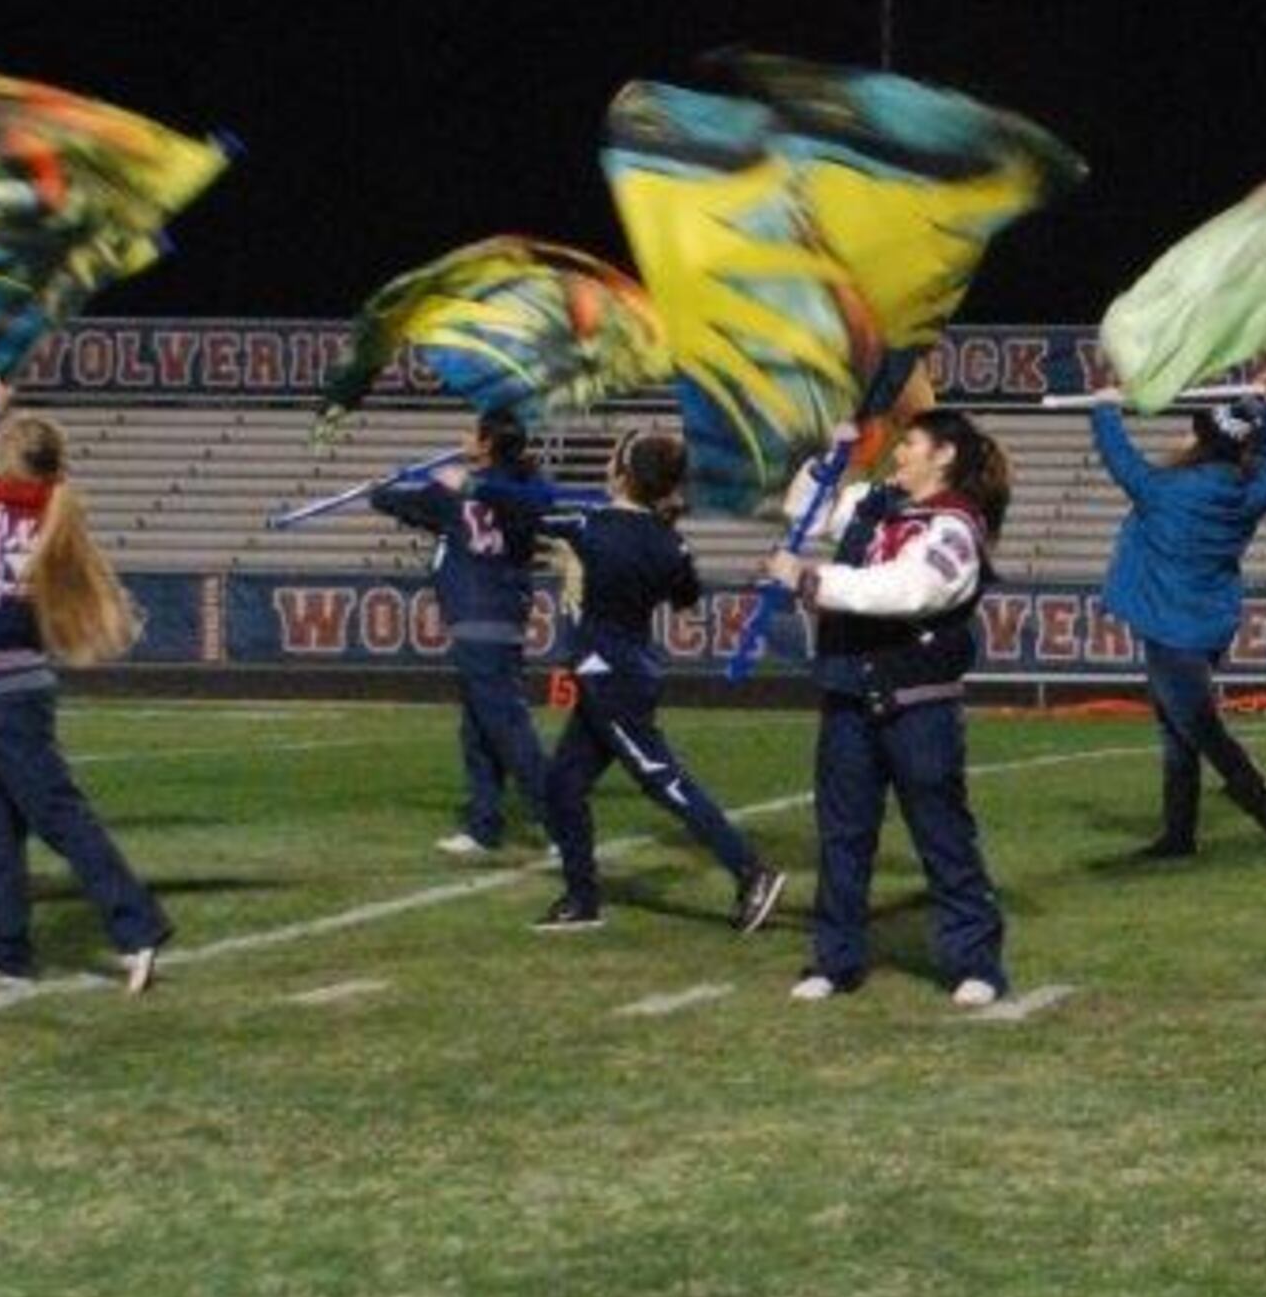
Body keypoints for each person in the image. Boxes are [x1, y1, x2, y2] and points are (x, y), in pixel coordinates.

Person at [0, 392, 171, 994]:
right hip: (7, 685)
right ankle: (8, 955)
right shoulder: (42, 510)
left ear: (9, 466)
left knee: (58, 817)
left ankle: (137, 926)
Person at [763, 409, 1014, 1006]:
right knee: (842, 835)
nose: (899, 453)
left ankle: (974, 962)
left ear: (944, 455)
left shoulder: (956, 527)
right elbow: (809, 512)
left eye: (911, 444)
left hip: (917, 703)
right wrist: (831, 459)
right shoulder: (878, 504)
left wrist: (811, 582)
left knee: (942, 835)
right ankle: (836, 959)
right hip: (850, 692)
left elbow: (912, 590)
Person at [530, 429, 785, 937]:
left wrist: (467, 488)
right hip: (628, 669)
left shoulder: (592, 523)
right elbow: (687, 595)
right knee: (563, 785)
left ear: (624, 475)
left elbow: (524, 515)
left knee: (663, 780)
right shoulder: (671, 543)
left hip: (611, 677)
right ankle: (581, 898)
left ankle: (751, 869)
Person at [1091, 393, 1266, 859]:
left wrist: (1106, 408)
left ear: (1204, 442)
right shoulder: (1249, 493)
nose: (1181, 436)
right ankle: (1179, 834)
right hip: (1206, 625)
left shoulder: (1167, 489)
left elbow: (1119, 459)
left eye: (1192, 431)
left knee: (1200, 728)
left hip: (1171, 630)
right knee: (1177, 733)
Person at [368, 407, 553, 857]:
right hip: (503, 614)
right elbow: (539, 502)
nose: (462, 437)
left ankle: (560, 823)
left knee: (506, 727)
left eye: (471, 433)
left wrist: (384, 487)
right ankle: (484, 823)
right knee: (477, 728)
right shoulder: (526, 486)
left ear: (487, 443)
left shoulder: (455, 492)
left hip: (478, 617)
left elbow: (397, 502)